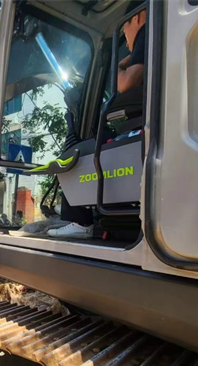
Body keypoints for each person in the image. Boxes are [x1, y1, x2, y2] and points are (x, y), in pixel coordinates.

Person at [49, 0, 146, 239]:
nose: (124, 33)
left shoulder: (147, 34)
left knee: (74, 153)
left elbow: (125, 83)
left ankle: (80, 222)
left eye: (124, 27)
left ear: (137, 17)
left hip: (141, 127)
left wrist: (124, 60)